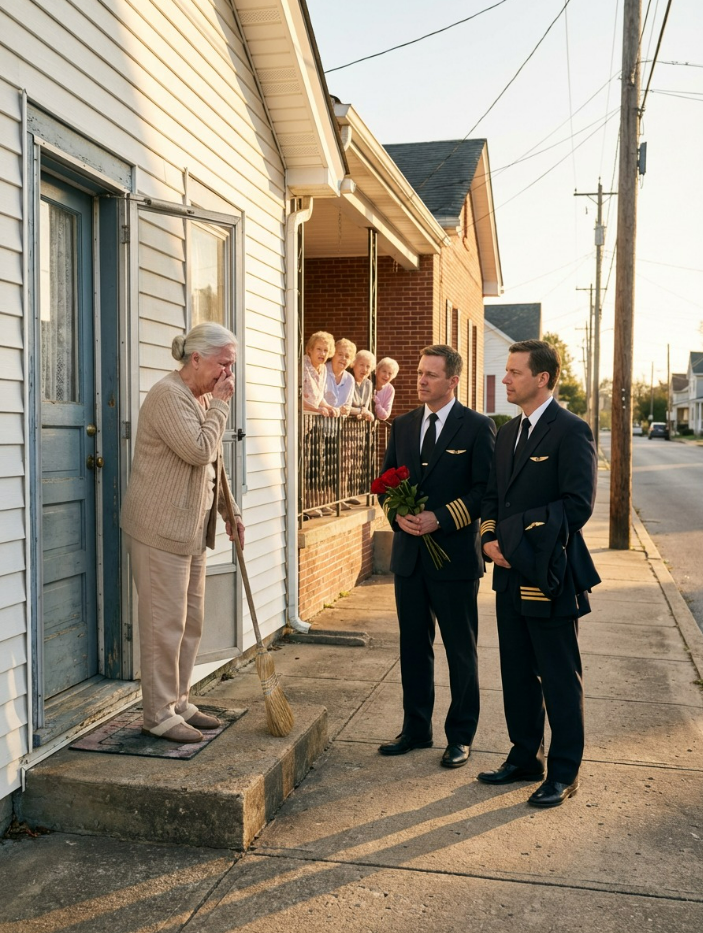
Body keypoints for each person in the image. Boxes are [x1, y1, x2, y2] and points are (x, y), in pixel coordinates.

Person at [479, 339, 600, 807]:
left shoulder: (571, 430)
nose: (505, 379)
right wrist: (489, 540)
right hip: (508, 572)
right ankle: (525, 755)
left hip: (548, 571)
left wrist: (516, 540)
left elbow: (577, 506)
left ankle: (564, 771)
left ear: (542, 378)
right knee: (516, 670)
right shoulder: (507, 432)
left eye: (514, 372)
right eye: (506, 372)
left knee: (557, 674)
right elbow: (492, 497)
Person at [121, 323, 246, 744]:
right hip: (160, 528)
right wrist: (222, 408)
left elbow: (216, 463)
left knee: (191, 622)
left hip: (192, 528)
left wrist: (231, 512)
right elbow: (198, 450)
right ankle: (157, 714)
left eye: (231, 365)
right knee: (164, 624)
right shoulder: (167, 395)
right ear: (196, 358)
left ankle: (179, 700)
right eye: (223, 364)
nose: (229, 374)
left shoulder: (204, 396)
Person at [378, 345, 496, 768]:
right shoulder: (404, 425)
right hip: (409, 557)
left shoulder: (477, 427)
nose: (422, 380)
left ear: (453, 381)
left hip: (455, 559)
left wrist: (441, 518)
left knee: (460, 650)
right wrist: (399, 516)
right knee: (413, 646)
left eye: (431, 374)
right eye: (420, 372)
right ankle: (415, 728)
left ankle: (460, 736)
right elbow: (386, 483)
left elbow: (485, 491)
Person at [303, 331, 337, 416]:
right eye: (319, 349)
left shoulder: (323, 368)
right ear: (310, 349)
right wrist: (317, 409)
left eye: (326, 350)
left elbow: (318, 397)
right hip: (297, 420)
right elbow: (295, 398)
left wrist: (330, 407)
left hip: (311, 421)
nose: (322, 353)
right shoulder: (301, 366)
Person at [325, 338, 356, 415]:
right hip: (317, 423)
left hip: (338, 425)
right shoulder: (322, 371)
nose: (343, 358)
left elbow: (348, 406)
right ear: (332, 354)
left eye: (347, 356)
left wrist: (346, 410)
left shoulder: (350, 379)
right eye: (340, 354)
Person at [349, 349, 376, 421]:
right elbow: (343, 407)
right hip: (344, 427)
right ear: (353, 364)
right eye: (361, 365)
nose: (364, 369)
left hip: (361, 428)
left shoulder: (368, 384)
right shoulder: (347, 380)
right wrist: (361, 411)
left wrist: (365, 413)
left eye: (368, 366)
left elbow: (365, 408)